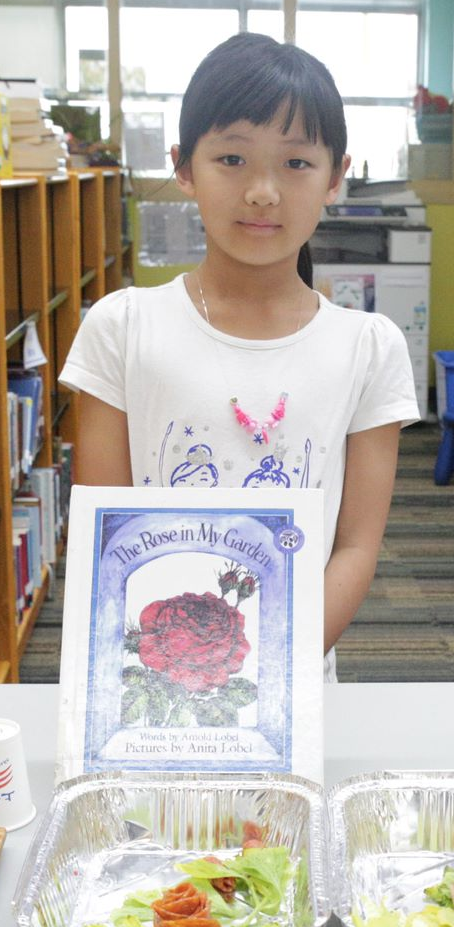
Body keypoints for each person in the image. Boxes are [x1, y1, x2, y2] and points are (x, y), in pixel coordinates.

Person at [59, 32, 420, 680]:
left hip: (293, 683)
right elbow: (106, 538)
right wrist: (174, 673)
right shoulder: (122, 328)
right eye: (231, 158)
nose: (262, 191)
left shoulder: (370, 347)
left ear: (336, 177)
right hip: (151, 677)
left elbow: (356, 547)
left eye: (296, 163)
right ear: (183, 167)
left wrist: (264, 672)